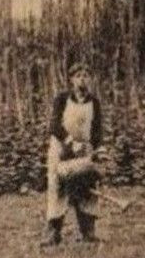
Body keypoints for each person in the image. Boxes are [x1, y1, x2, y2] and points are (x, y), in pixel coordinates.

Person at [43, 61, 105, 246]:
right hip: (61, 149)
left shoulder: (94, 102)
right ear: (71, 79)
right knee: (57, 187)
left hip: (83, 151)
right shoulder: (62, 99)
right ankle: (53, 234)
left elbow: (97, 131)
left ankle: (88, 233)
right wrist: (71, 142)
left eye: (86, 75)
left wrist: (99, 150)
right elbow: (53, 126)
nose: (82, 79)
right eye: (78, 76)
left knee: (87, 188)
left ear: (91, 79)